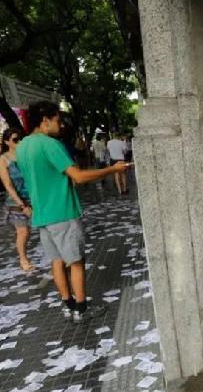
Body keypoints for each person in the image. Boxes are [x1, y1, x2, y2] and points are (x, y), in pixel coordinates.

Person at [17, 101, 131, 323]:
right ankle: (82, 308)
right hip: (62, 213)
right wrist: (112, 169)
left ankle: (68, 305)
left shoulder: (22, 147)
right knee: (76, 262)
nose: (60, 126)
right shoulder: (49, 144)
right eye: (58, 121)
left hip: (42, 216)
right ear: (45, 121)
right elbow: (77, 176)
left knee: (57, 262)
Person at [0, 127, 34, 271]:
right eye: (15, 140)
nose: (19, 142)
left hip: (35, 197)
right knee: (23, 232)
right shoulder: (3, 160)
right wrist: (22, 205)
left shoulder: (27, 156)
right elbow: (8, 185)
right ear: (7, 142)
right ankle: (23, 259)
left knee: (46, 228)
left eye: (21, 139)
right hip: (16, 202)